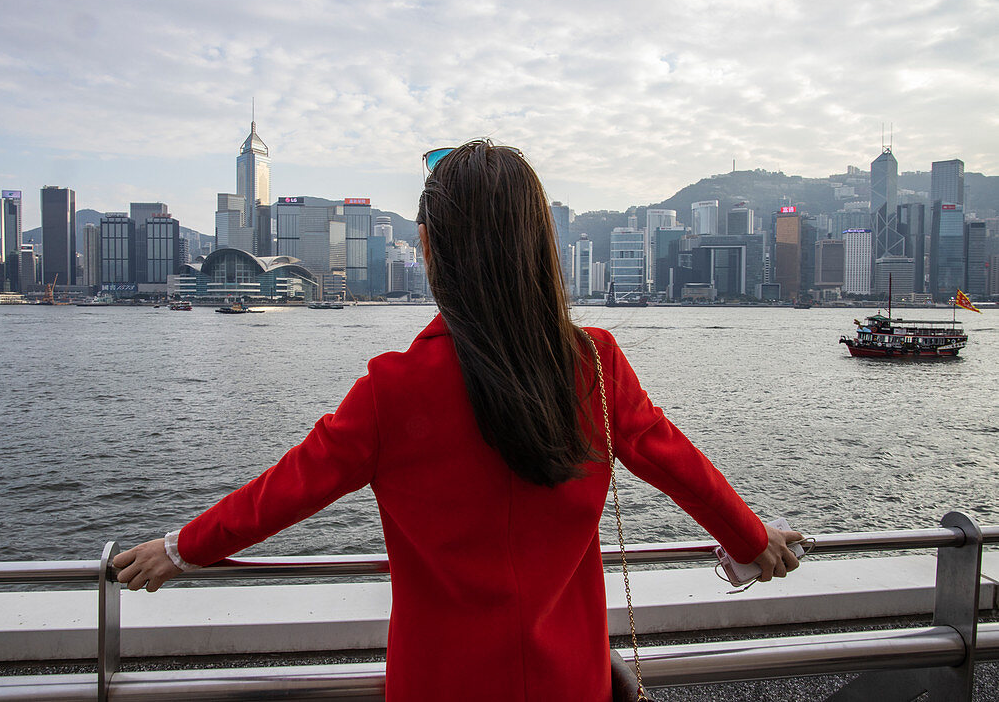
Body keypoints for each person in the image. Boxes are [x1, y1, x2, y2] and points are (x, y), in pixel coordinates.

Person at [113, 140, 803, 701]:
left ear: (432, 250)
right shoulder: (594, 363)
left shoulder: (394, 390)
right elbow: (679, 463)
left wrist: (180, 548)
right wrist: (751, 539)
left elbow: (282, 492)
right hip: (571, 684)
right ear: (537, 246)